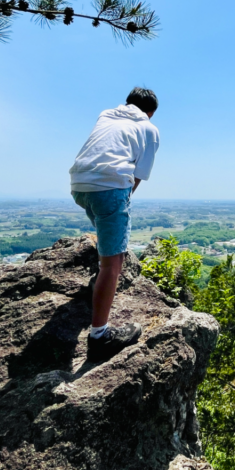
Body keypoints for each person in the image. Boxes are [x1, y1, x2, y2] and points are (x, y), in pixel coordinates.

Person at [69, 87, 160, 360]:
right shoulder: (149, 128)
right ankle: (99, 336)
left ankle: (99, 288)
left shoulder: (105, 115)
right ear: (151, 112)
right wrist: (121, 201)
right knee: (113, 263)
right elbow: (138, 175)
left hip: (79, 185)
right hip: (109, 186)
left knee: (105, 239)